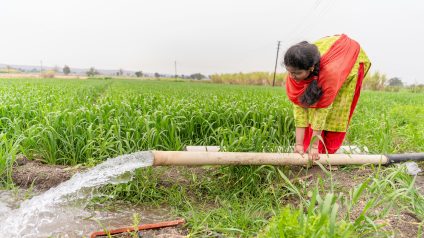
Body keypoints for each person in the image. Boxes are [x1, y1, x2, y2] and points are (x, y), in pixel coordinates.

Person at [283, 34, 371, 160]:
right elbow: (300, 109)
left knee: (337, 111)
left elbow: (321, 112)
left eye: (297, 73)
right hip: (331, 55)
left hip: (352, 59)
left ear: (311, 68)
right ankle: (308, 147)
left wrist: (314, 147)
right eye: (289, 72)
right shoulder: (294, 71)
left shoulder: (330, 74)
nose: (292, 76)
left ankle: (326, 152)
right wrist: (298, 144)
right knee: (309, 103)